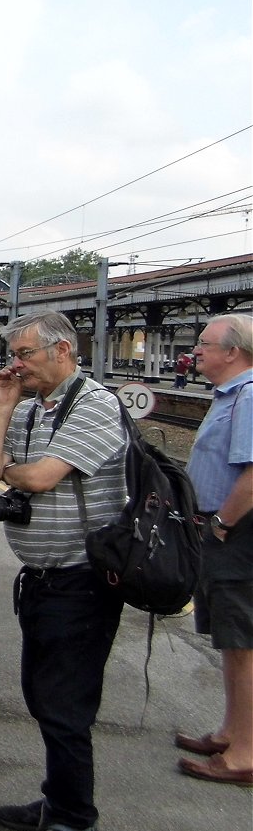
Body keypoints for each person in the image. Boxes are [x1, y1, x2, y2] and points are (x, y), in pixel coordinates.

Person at [0, 311, 127, 831]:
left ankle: (76, 823)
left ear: (63, 351)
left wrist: (17, 466)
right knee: (42, 697)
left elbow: (39, 480)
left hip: (82, 580)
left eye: (26, 354)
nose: (16, 364)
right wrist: (6, 408)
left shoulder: (97, 404)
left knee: (65, 705)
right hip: (41, 579)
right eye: (13, 353)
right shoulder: (35, 408)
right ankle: (57, 801)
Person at [177, 312, 253, 787]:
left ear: (233, 351)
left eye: (205, 343)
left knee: (242, 642)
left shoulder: (248, 396)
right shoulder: (231, 394)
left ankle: (245, 753)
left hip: (238, 534)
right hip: (225, 530)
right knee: (230, 639)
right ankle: (231, 731)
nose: (196, 349)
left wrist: (222, 523)